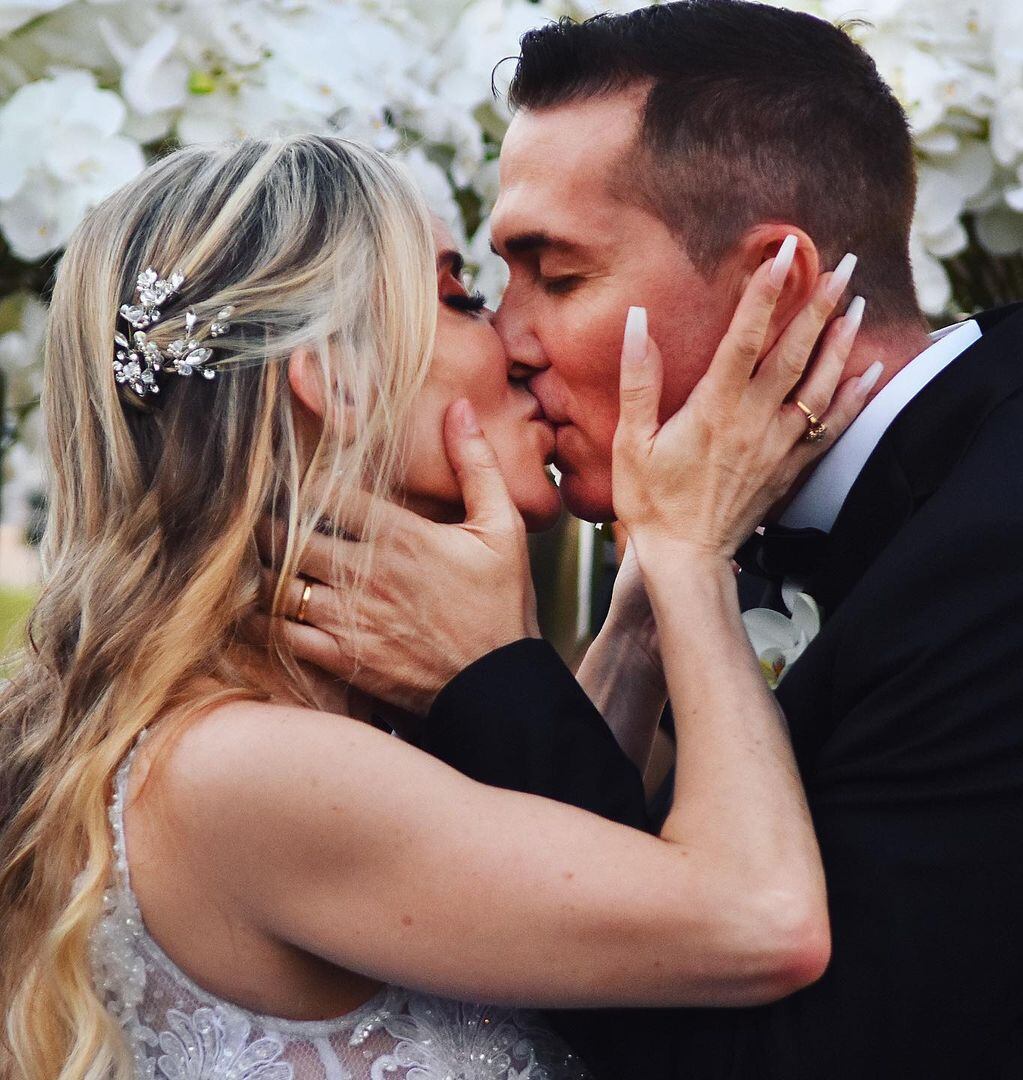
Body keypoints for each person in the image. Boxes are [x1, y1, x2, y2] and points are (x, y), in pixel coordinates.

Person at [279, 4, 1023, 1079]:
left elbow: (791, 1055)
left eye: (557, 277)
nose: (510, 343)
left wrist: (498, 679)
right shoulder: (731, 513)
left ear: (776, 286)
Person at [0, 133, 872, 1080]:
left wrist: (633, 629)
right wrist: (689, 555)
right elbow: (763, 919)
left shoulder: (289, 726)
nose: (515, 341)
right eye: (462, 298)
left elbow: (574, 872)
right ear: (333, 381)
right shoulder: (252, 767)